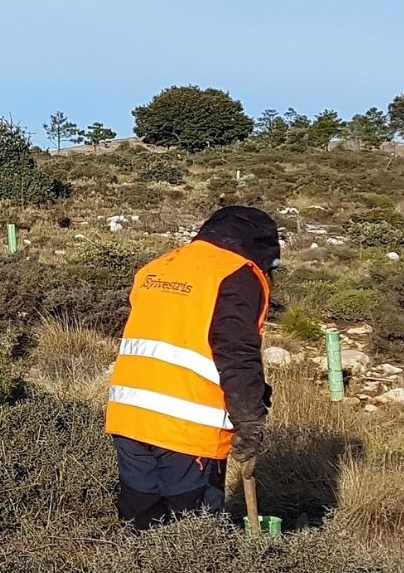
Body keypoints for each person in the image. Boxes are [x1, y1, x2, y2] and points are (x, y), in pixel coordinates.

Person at [104, 205, 278, 529]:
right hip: (188, 427)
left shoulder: (159, 267)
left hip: (129, 417)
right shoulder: (236, 273)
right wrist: (249, 420)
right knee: (193, 533)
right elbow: (236, 354)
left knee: (140, 522)